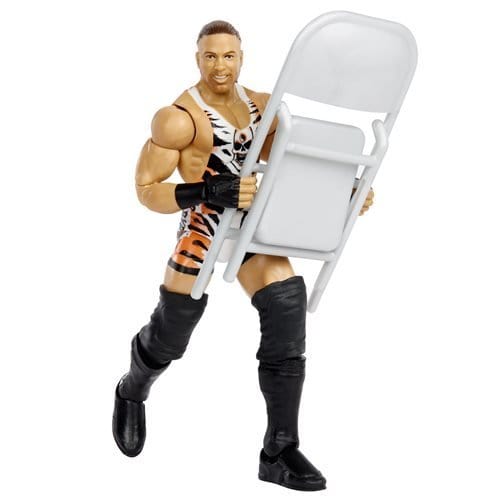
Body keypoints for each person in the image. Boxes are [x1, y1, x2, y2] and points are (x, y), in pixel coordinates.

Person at [112, 20, 374, 492]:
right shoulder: (178, 119)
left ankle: (279, 449)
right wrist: (209, 190)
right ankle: (132, 388)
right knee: (173, 332)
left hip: (252, 224)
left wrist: (346, 190)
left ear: (241, 57)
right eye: (211, 56)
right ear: (198, 59)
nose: (220, 66)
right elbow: (146, 189)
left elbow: (295, 162)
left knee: (287, 302)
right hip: (203, 222)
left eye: (228, 56)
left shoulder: (264, 108)